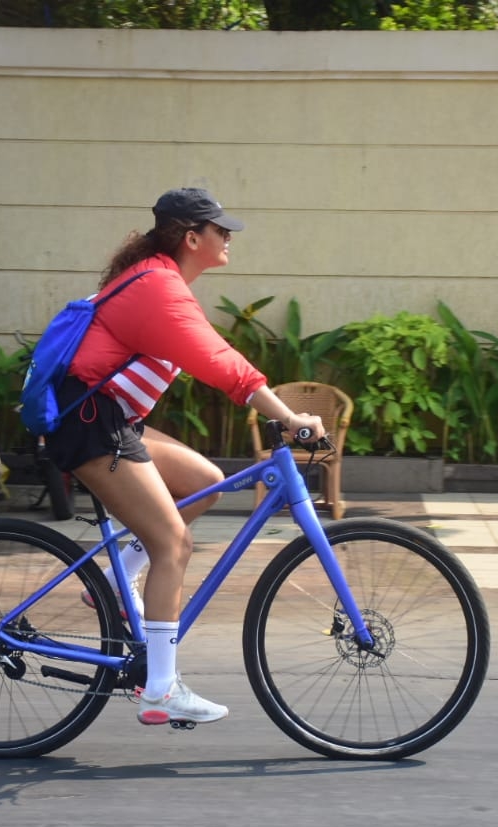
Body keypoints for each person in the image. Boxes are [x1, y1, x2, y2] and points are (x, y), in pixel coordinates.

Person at [46, 187, 326, 726]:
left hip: (109, 421)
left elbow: (211, 355)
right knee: (173, 542)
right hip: (91, 427)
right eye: (220, 230)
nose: (229, 238)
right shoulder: (155, 285)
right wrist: (289, 418)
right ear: (191, 237)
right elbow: (222, 363)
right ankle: (160, 689)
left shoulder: (159, 279)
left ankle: (113, 581)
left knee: (204, 480)